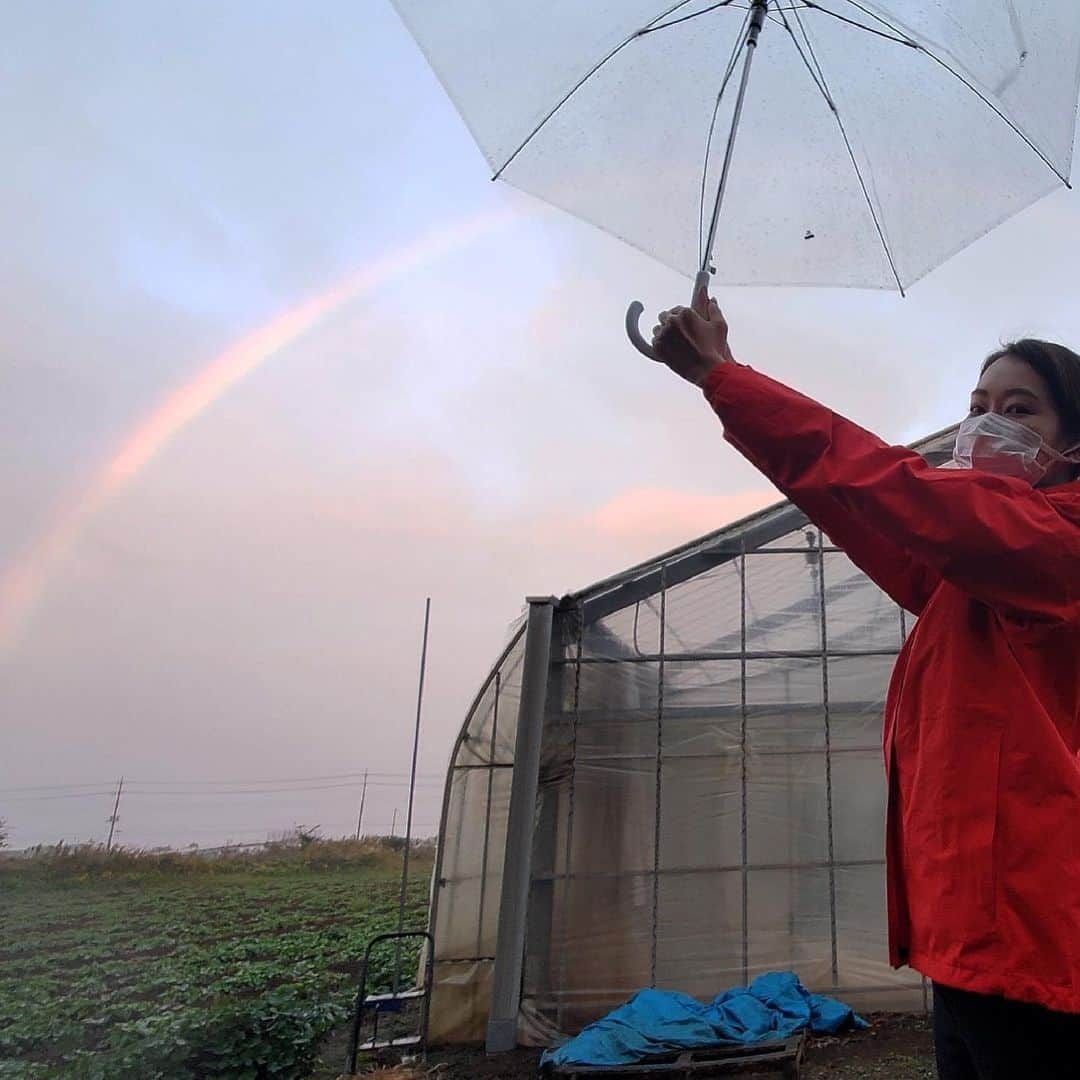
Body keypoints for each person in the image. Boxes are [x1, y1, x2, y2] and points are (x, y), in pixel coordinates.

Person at [649, 292, 1080, 1080]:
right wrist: (726, 392)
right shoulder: (967, 574)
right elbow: (861, 503)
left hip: (1034, 939)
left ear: (1074, 448)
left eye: (1020, 410)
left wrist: (724, 376)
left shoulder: (1056, 543)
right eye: (977, 405)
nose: (985, 423)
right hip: (971, 938)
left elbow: (896, 487)